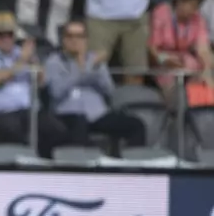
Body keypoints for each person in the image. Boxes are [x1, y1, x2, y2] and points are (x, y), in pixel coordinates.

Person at [0, 11, 68, 158]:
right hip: (0, 111)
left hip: (29, 111)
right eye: (0, 35)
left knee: (56, 129)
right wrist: (21, 62)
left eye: (9, 34)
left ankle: (46, 166)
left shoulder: (20, 52)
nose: (6, 39)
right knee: (13, 129)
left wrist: (33, 60)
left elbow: (42, 82)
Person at [45, 19, 146, 149]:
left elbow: (109, 91)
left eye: (79, 36)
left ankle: (131, 166)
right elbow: (56, 92)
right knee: (79, 124)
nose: (75, 41)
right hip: (67, 114)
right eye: (70, 36)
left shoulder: (95, 61)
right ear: (63, 39)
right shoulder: (54, 61)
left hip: (97, 114)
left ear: (86, 40)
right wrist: (82, 69)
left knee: (136, 125)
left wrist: (96, 69)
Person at [148, 0, 213, 101]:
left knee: (205, 73)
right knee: (172, 88)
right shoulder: (162, 12)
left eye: (196, 7)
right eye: (191, 6)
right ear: (179, 2)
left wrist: (206, 70)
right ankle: (174, 108)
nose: (194, 10)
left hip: (187, 62)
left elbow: (203, 49)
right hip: (163, 59)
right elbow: (152, 48)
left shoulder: (197, 18)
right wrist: (164, 59)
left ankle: (197, 107)